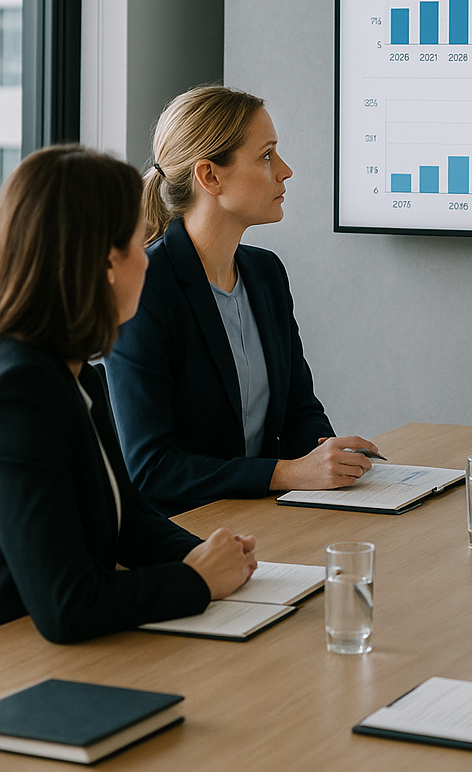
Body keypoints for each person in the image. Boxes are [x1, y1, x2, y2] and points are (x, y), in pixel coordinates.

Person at [0, 146, 257, 643]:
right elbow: (67, 606)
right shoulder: (20, 393)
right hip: (22, 664)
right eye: (141, 245)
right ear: (107, 264)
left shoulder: (73, 372)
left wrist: (208, 554)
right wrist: (196, 579)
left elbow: (127, 516)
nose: (150, 259)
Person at [104, 86, 380, 515]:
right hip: (187, 533)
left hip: (263, 517)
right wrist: (288, 473)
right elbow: (152, 468)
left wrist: (326, 453)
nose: (285, 171)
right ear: (210, 176)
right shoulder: (147, 287)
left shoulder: (266, 273)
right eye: (267, 155)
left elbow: (298, 411)